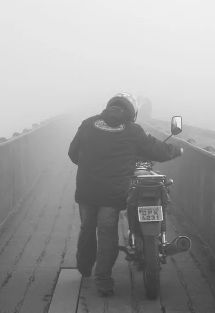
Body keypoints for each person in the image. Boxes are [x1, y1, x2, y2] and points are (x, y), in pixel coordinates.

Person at [68, 93, 182, 296]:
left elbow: (73, 153)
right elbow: (157, 150)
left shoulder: (88, 124)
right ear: (132, 112)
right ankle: (103, 283)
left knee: (87, 228)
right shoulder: (132, 130)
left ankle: (84, 267)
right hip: (112, 194)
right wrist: (177, 149)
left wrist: (89, 165)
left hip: (87, 189)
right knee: (107, 234)